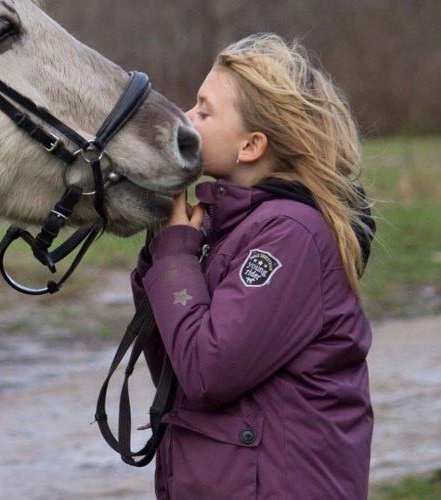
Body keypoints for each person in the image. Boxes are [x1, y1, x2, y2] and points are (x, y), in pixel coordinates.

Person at [131, 33, 376, 499]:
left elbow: (207, 371)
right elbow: (174, 366)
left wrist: (177, 258)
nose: (186, 117)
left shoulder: (291, 236)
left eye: (204, 112)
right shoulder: (231, 227)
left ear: (251, 146)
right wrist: (163, 251)